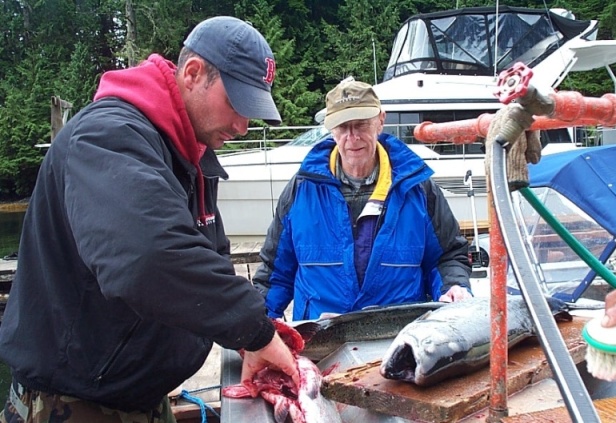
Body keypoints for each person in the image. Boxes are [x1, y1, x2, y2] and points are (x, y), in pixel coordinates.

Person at [0, 16, 298, 423]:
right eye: (236, 105)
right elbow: (148, 258)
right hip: (72, 405)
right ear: (193, 74)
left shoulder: (189, 154)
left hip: (142, 398)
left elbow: (210, 258)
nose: (243, 127)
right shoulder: (108, 137)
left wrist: (244, 341)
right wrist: (254, 330)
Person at [253, 79, 472, 321]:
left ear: (380, 121)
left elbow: (447, 256)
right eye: (342, 126)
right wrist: (258, 330)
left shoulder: (418, 188)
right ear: (331, 129)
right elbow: (274, 272)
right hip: (320, 340)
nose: (352, 136)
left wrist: (454, 287)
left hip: (398, 336)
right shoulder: (300, 190)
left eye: (361, 124)